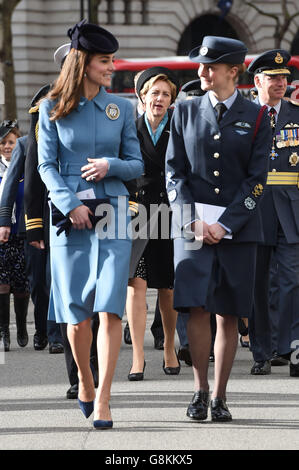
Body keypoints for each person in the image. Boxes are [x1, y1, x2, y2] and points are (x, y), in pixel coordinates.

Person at [37, 20, 143, 429]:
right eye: (105, 60)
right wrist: (68, 204)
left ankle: (104, 399)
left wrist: (109, 165)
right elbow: (45, 165)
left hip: (113, 215)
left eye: (112, 60)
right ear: (83, 64)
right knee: (78, 316)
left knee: (109, 310)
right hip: (70, 221)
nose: (112, 67)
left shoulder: (122, 107)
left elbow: (135, 164)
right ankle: (84, 380)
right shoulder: (51, 107)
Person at [166, 36, 272, 422]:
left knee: (229, 311)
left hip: (238, 229)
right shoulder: (184, 110)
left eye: (210, 67)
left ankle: (221, 396)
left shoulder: (259, 116)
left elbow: (257, 179)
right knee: (195, 304)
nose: (201, 72)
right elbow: (173, 171)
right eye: (200, 65)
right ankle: (199, 389)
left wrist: (226, 223)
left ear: (234, 71)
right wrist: (188, 218)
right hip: (191, 227)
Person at [24, 42, 99, 399]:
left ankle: (96, 370)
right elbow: (37, 168)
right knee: (70, 298)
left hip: (102, 209)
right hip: (62, 213)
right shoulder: (48, 108)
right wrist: (34, 223)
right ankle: (78, 375)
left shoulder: (105, 106)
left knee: (97, 294)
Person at [126, 66, 180, 381]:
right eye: (154, 93)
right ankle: (138, 357)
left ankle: (170, 348)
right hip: (137, 214)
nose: (159, 99)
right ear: (143, 96)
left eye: (165, 94)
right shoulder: (129, 129)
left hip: (170, 214)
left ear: (171, 100)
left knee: (167, 287)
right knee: (136, 285)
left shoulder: (179, 129)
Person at [247, 49, 299, 377]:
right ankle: (261, 351)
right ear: (257, 81)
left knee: (292, 280)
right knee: (257, 282)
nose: (280, 83)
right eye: (273, 78)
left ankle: (291, 348)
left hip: (292, 209)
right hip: (255, 208)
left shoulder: (297, 114)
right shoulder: (245, 115)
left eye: (284, 78)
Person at [0, 120, 30, 351]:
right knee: (2, 284)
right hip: (0, 234)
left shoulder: (24, 167)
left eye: (11, 142)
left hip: (21, 232)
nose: (7, 146)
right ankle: (3, 331)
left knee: (21, 286)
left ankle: (21, 326)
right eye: (3, 143)